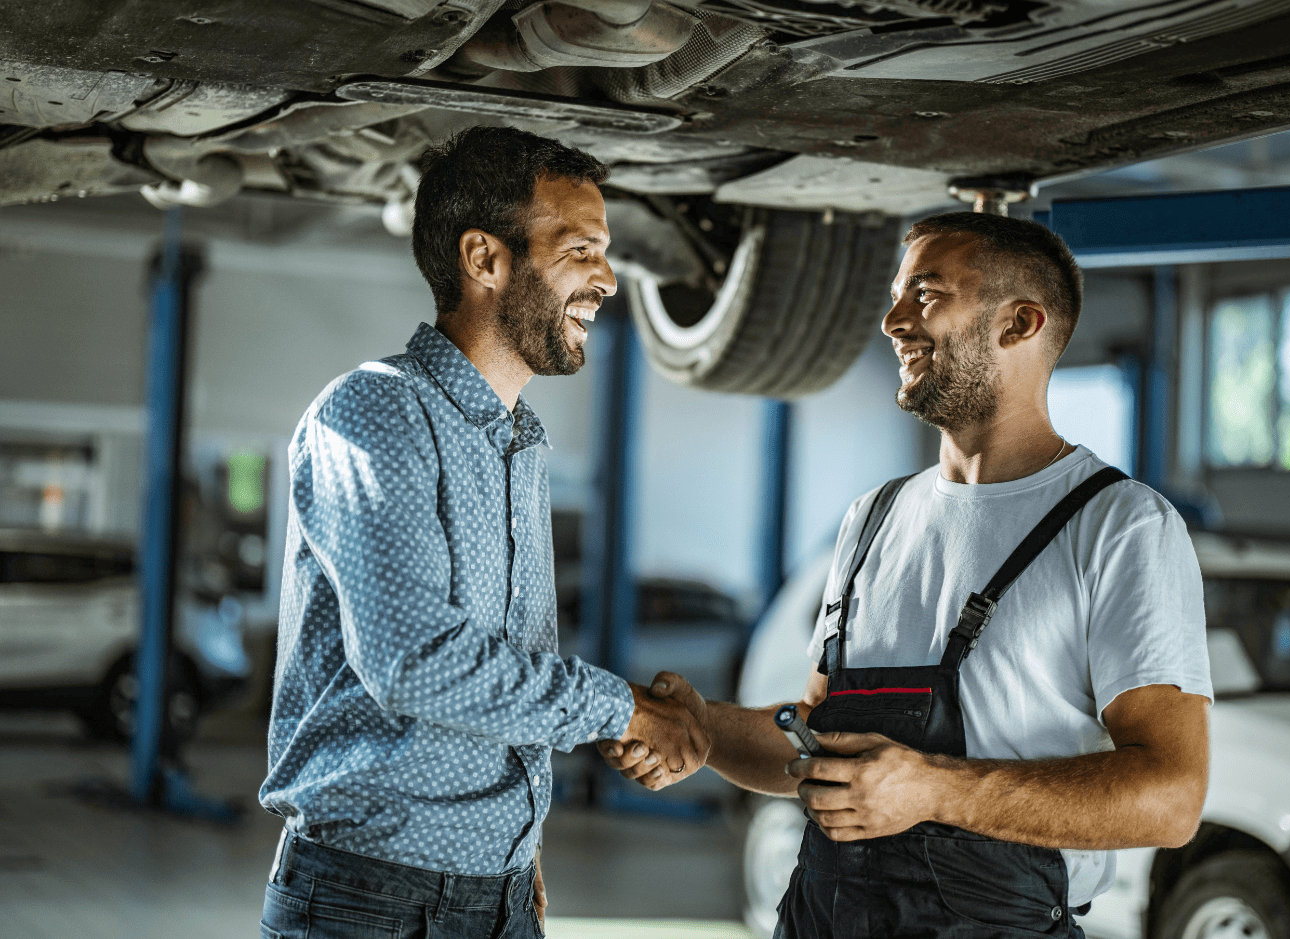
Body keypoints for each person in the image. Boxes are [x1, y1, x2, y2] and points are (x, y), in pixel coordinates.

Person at [604, 212, 1214, 938]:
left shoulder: (1119, 525)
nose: (892, 322)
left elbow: (1170, 798)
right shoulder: (873, 516)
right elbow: (817, 738)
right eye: (896, 297)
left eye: (925, 295)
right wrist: (702, 728)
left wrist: (932, 791)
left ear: (1019, 323)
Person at [258, 126, 708, 939]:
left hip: (497, 890)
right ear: (484, 258)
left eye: (605, 253)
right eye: (580, 250)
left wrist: (512, 838)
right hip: (370, 900)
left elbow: (502, 667)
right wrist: (623, 710)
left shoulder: (520, 439)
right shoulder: (375, 408)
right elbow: (413, 660)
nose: (607, 280)